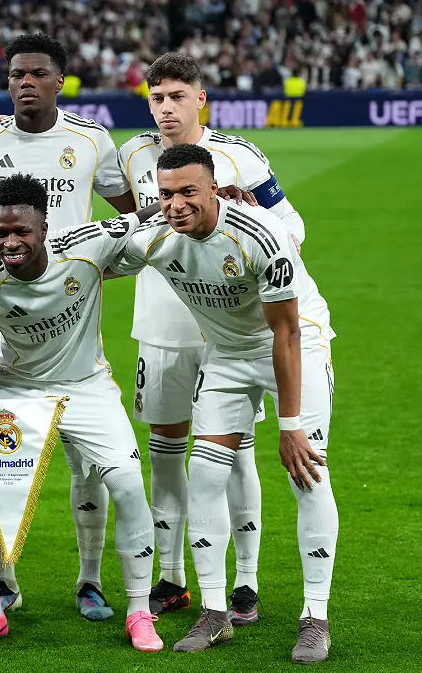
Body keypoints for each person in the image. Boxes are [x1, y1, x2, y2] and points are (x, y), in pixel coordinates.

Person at [113, 144, 336, 664]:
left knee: (309, 473)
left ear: (215, 188)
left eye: (189, 191)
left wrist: (290, 425)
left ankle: (315, 616)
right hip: (227, 356)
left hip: (295, 344)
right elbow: (84, 257)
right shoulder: (156, 237)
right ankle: (214, 612)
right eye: (166, 194)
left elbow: (284, 333)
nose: (177, 204)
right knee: (206, 474)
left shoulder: (261, 234)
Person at [0, 32, 136, 620]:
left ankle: (90, 580)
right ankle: (1, 583)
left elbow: (129, 212)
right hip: (2, 317)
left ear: (59, 80)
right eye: (16, 74)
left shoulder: (91, 139)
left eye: (37, 74)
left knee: (87, 462)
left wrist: (98, 267)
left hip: (74, 317)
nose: (25, 83)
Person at [0, 174, 163, 652]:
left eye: (23, 231)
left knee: (126, 482)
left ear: (44, 227)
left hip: (86, 385)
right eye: (1, 233)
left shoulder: (86, 244)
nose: (12, 241)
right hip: (14, 388)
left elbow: (140, 217)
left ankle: (140, 611)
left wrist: (204, 199)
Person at [117, 52, 308, 622]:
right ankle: (171, 576)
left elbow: (294, 227)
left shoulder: (239, 154)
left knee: (234, 454)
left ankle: (244, 582)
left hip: (231, 329)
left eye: (178, 96)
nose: (167, 108)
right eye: (157, 98)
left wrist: (257, 221)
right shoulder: (131, 155)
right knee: (169, 456)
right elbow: (131, 231)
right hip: (162, 324)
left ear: (201, 98)